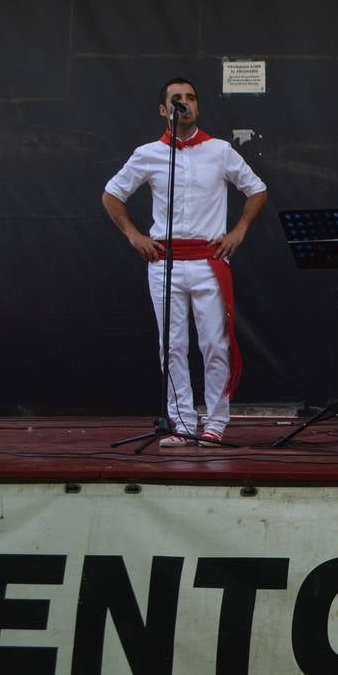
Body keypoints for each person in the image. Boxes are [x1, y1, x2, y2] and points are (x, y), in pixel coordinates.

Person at [102, 77, 268, 445]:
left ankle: (215, 423)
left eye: (190, 97)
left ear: (198, 106)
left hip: (209, 260)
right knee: (173, 344)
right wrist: (134, 235)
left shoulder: (221, 150)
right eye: (176, 99)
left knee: (213, 342)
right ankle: (182, 422)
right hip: (165, 261)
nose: (185, 103)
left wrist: (238, 230)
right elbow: (112, 195)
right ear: (164, 110)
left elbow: (256, 189)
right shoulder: (149, 153)